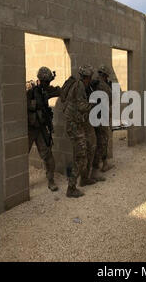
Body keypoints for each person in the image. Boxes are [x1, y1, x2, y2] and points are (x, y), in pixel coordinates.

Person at [62, 65, 98, 198]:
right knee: (81, 155)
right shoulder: (80, 87)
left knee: (86, 150)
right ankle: (71, 188)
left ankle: (84, 179)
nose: (90, 80)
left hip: (76, 124)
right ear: (87, 77)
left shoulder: (78, 85)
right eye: (90, 77)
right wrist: (93, 104)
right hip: (74, 126)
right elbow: (81, 106)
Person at [26, 67, 61, 192]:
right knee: (22, 155)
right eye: (45, 82)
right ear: (39, 80)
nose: (47, 84)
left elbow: (59, 91)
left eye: (48, 82)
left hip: (41, 128)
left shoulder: (46, 91)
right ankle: (21, 184)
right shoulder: (29, 91)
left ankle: (51, 180)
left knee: (48, 155)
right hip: (29, 129)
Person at [93, 64, 115, 173]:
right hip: (102, 117)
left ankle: (101, 164)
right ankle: (100, 166)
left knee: (97, 141)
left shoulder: (93, 83)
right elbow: (111, 100)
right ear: (106, 75)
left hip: (93, 117)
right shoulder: (104, 86)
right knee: (103, 141)